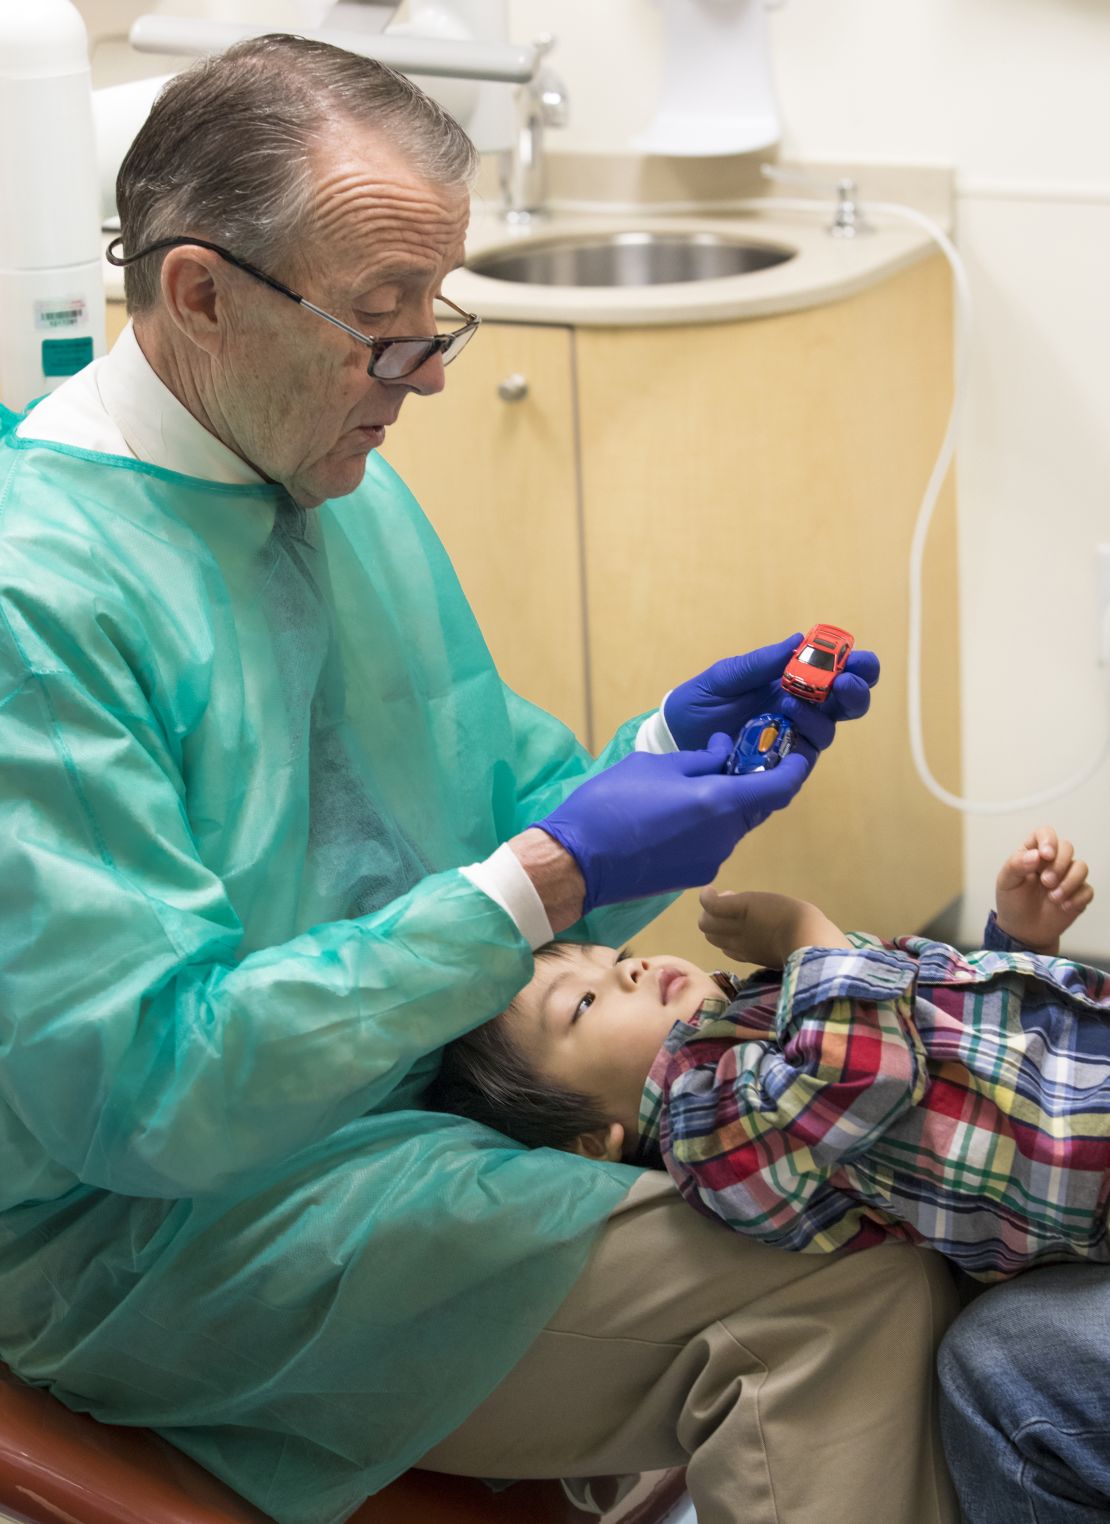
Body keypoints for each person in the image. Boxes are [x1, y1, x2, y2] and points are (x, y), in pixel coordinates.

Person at [0, 34, 958, 1524]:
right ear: (197, 294)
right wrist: (553, 872)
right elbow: (156, 1096)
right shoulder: (38, 603)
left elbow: (493, 829)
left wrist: (663, 775)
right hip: (172, 1230)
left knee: (890, 1184)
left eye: (433, 314)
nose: (430, 373)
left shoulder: (332, 481)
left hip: (428, 1106)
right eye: (383, 324)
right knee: (841, 1292)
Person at [434, 827, 1109, 1283]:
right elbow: (865, 1075)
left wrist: (1018, 939)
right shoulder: (705, 1136)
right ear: (590, 1142)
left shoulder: (760, 1003)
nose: (630, 973)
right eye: (583, 1005)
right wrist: (801, 930)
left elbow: (948, 1029)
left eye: (620, 960)